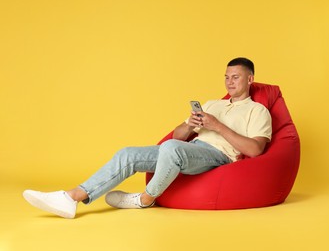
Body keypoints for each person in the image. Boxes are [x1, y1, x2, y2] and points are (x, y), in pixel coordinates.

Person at [23, 57, 272, 219]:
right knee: (128, 153)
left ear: (250, 79)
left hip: (218, 157)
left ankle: (145, 198)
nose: (229, 82)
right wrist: (190, 124)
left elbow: (255, 150)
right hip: (189, 149)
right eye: (226, 77)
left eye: (235, 77)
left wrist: (217, 126)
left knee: (172, 149)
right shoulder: (212, 104)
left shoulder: (257, 110)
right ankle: (71, 197)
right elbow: (177, 137)